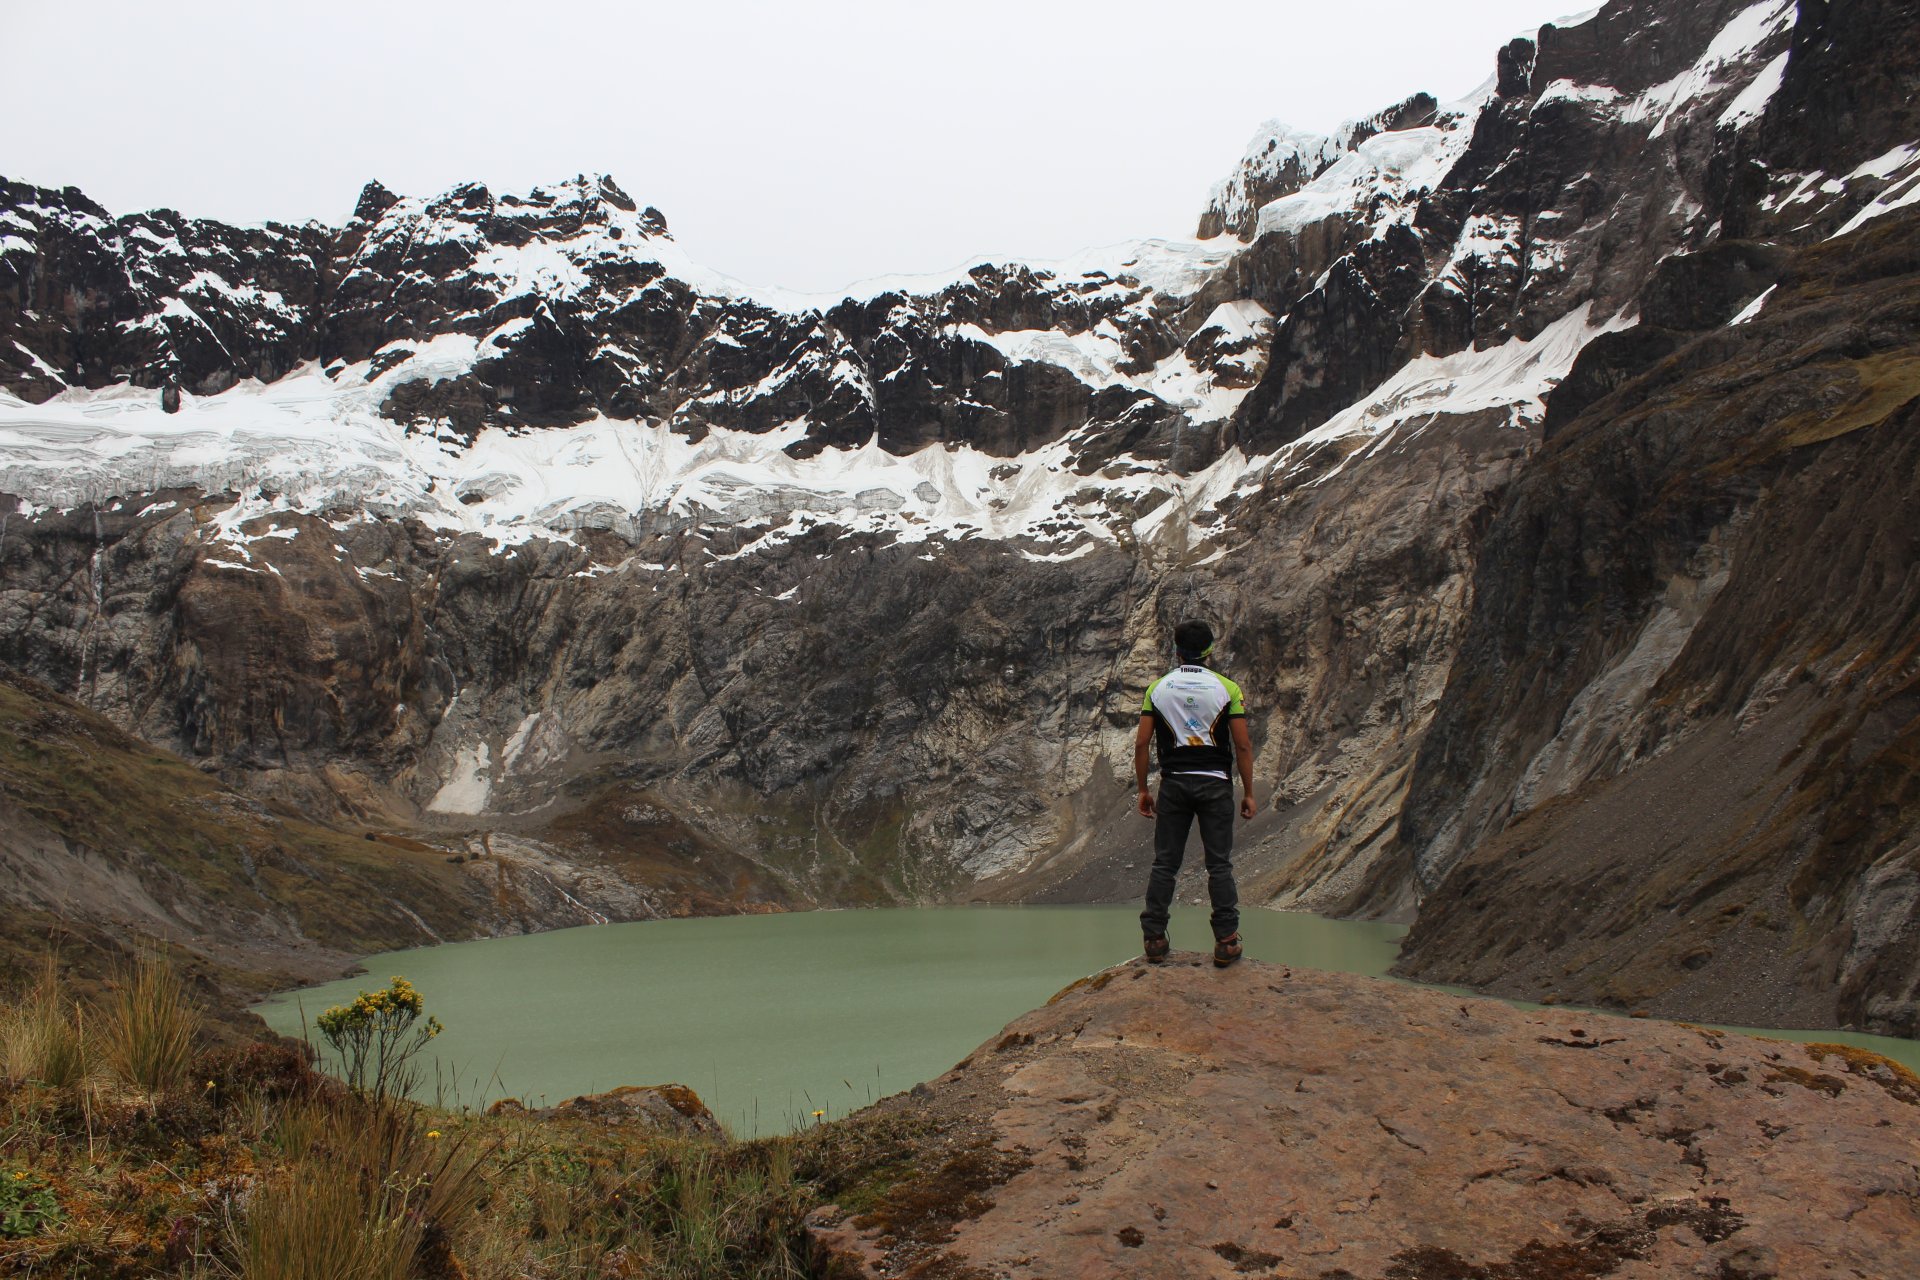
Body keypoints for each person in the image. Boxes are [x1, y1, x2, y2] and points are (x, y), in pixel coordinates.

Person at [1134, 619, 1256, 968]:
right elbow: (1243, 745)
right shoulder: (1227, 689)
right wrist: (1248, 792)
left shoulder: (1157, 689)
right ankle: (1227, 941)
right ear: (1209, 650)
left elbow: (1142, 742)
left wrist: (1144, 789)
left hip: (1174, 783)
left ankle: (1154, 939)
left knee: (1165, 863)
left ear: (1176, 649)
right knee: (1219, 864)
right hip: (1216, 784)